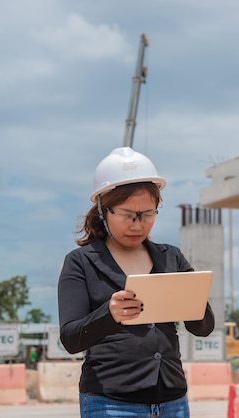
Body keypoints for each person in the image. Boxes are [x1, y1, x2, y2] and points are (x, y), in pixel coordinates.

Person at [58, 147, 215, 418]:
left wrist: (191, 301)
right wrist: (109, 314)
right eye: (128, 215)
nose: (138, 225)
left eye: (148, 214)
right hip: (111, 403)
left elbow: (203, 328)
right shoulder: (80, 262)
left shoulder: (171, 257)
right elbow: (71, 339)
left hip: (172, 401)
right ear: (103, 210)